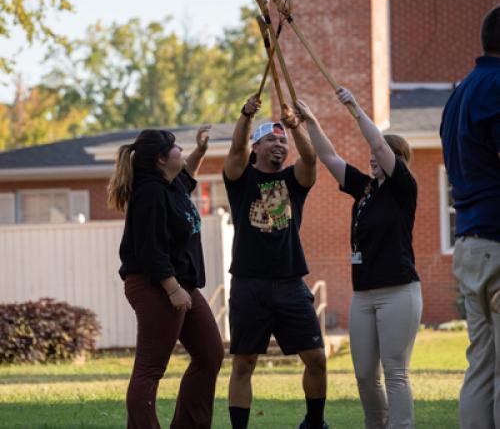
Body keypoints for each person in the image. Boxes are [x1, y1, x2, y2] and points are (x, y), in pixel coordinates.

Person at [296, 88, 423, 429]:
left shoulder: (403, 189)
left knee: (395, 372)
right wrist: (311, 122)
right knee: (366, 375)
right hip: (364, 294)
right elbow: (330, 157)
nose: (372, 156)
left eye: (379, 153)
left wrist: (354, 108)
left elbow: (381, 145)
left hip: (399, 292)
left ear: (398, 160)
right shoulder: (365, 189)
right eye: (369, 153)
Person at [107, 126, 224, 429]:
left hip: (179, 285)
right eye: (175, 147)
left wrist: (200, 149)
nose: (180, 150)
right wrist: (172, 289)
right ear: (161, 159)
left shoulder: (171, 184)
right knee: (150, 369)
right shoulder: (149, 193)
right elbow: (150, 251)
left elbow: (188, 175)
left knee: (210, 354)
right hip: (155, 285)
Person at [223, 95, 328, 429]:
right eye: (271, 139)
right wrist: (245, 116)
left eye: (283, 141)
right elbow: (236, 151)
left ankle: (314, 423)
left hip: (290, 283)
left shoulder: (292, 182)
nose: (279, 145)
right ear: (257, 146)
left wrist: (295, 125)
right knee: (244, 363)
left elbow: (310, 158)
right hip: (248, 284)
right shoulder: (241, 179)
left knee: (316, 359)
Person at [440, 5, 500, 429]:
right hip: (499, 240)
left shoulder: (459, 92)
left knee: (482, 364)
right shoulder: (498, 85)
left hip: (469, 243)